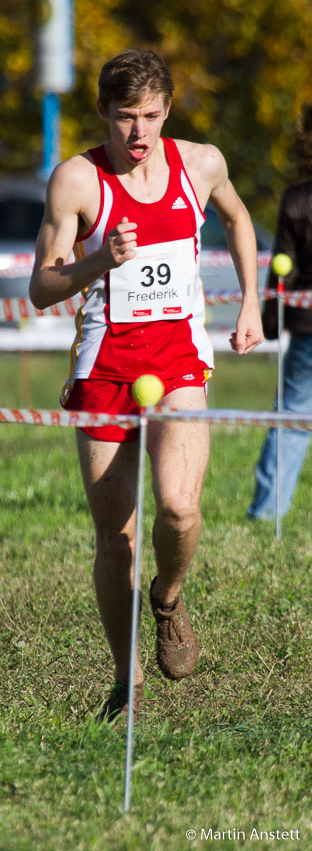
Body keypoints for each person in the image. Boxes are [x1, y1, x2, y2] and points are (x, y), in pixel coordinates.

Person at [29, 48, 263, 723]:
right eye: (126, 117)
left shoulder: (201, 163)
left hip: (179, 362)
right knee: (116, 536)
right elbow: (42, 286)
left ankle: (168, 598)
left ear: (168, 110)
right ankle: (125, 682)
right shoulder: (77, 181)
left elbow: (238, 217)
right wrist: (98, 258)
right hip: (105, 368)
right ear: (102, 112)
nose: (139, 133)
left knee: (179, 509)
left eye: (152, 116)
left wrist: (249, 302)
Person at [247, 105, 312, 520]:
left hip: (307, 328)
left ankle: (267, 511)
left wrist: (270, 322)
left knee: (291, 418)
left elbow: (281, 272)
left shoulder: (297, 200)